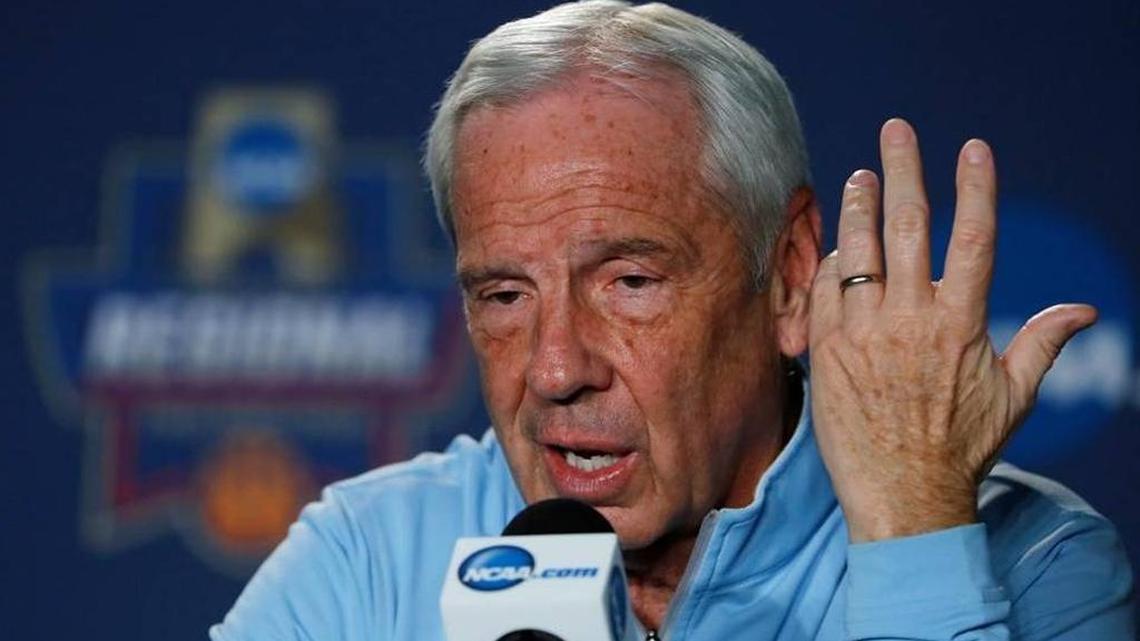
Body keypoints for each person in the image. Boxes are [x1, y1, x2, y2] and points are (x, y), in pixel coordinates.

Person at [211, 2, 1135, 639]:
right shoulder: (367, 560)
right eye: (504, 296)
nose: (555, 368)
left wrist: (914, 527)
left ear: (788, 276)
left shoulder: (1035, 560)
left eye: (629, 281)